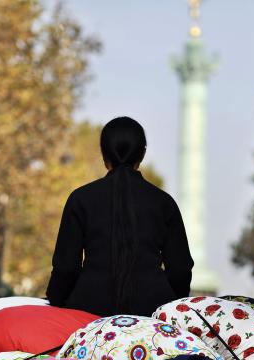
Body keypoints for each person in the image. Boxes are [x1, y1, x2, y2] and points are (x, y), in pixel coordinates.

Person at [46, 116, 194, 317]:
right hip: (152, 315)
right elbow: (180, 270)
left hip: (88, 314)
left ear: (103, 154)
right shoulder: (163, 202)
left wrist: (56, 301)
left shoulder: (80, 199)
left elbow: (65, 269)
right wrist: (167, 303)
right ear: (142, 154)